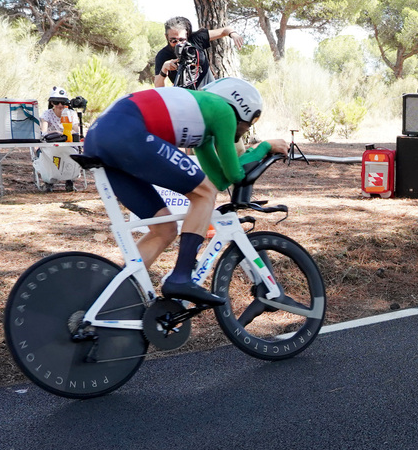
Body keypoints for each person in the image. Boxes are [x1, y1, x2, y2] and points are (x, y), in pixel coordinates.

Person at [82, 78, 288, 306]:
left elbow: (219, 181)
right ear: (242, 110)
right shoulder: (223, 112)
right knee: (203, 194)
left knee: (164, 228)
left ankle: (107, 300)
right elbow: (235, 176)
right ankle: (181, 277)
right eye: (250, 123)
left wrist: (248, 158)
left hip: (100, 137)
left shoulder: (201, 126)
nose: (245, 131)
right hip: (126, 133)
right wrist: (265, 147)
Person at [154, 16, 245, 90]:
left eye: (182, 40)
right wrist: (164, 69)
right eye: (173, 40)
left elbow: (225, 30)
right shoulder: (163, 55)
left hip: (209, 92)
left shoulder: (196, 39)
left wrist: (233, 34)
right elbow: (158, 87)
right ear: (166, 37)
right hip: (186, 99)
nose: (178, 44)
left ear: (187, 35)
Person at [36, 86, 81, 192]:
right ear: (52, 103)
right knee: (47, 154)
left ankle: (69, 179)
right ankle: (49, 181)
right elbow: (44, 131)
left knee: (72, 153)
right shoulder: (47, 114)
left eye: (62, 102)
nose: (60, 105)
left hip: (68, 144)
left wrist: (69, 124)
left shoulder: (71, 113)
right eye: (56, 102)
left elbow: (76, 130)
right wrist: (58, 133)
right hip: (52, 145)